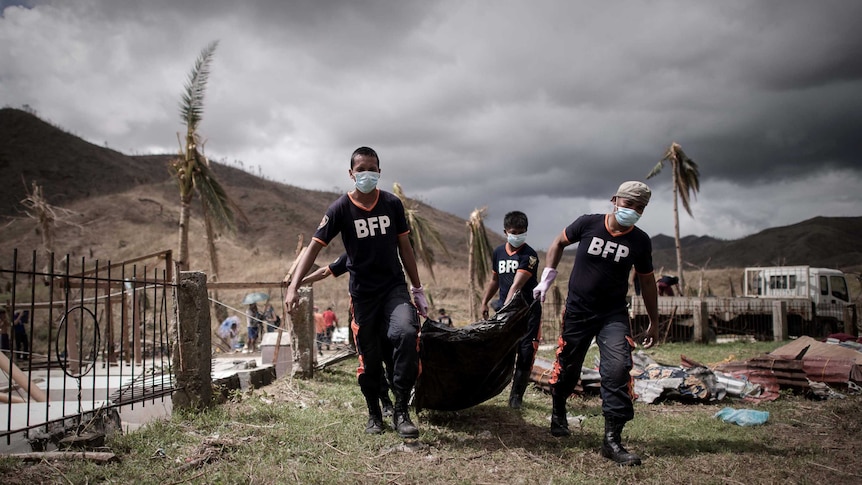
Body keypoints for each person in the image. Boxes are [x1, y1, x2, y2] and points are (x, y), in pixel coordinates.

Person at [285, 146, 427, 438]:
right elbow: (315, 249)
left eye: (371, 168)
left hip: (394, 289)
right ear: (351, 174)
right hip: (363, 297)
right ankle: (375, 413)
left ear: (379, 171)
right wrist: (294, 285)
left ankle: (401, 410)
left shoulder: (392, 204)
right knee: (370, 359)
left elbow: (405, 247)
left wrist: (418, 288)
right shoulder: (339, 209)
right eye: (360, 169)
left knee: (406, 333)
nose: (366, 174)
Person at [533, 181, 660, 466]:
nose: (633, 211)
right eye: (629, 205)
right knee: (568, 367)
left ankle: (612, 440)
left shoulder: (640, 241)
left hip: (612, 314)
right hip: (578, 311)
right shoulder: (588, 224)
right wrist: (548, 276)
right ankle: (558, 410)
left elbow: (647, 281)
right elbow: (557, 243)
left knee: (617, 368)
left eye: (640, 208)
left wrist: (654, 321)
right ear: (615, 200)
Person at [300, 253, 395, 417]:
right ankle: (386, 402)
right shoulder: (352, 254)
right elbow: (325, 271)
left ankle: (402, 403)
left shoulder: (384, 249)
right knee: (372, 363)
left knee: (392, 360)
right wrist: (298, 282)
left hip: (387, 316)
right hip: (363, 319)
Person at [480, 210, 542, 410]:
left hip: (527, 311)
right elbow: (495, 280)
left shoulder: (530, 255)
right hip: (506, 309)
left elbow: (516, 286)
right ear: (505, 231)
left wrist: (505, 310)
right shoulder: (498, 252)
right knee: (502, 350)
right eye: (514, 231)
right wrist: (484, 302)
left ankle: (516, 397)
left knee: (524, 352)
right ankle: (493, 388)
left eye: (522, 231)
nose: (518, 235)